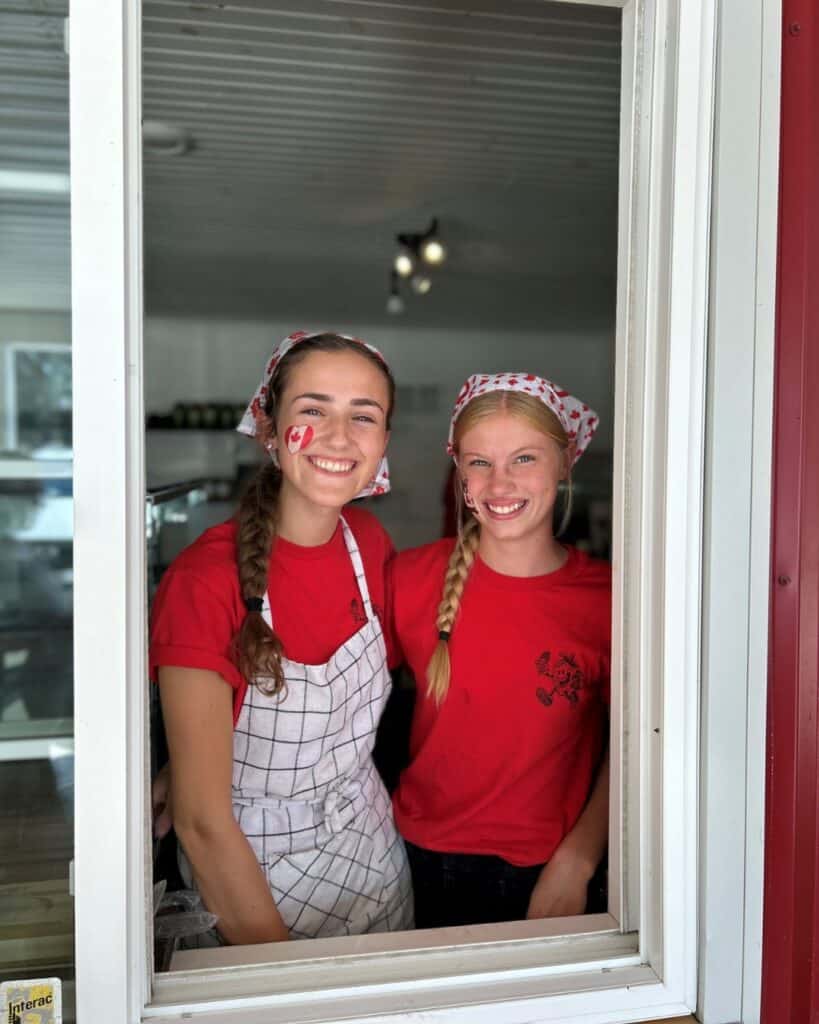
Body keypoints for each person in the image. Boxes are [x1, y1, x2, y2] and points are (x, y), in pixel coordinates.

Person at [149, 330, 413, 944]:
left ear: (383, 443)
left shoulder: (370, 547)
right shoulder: (202, 581)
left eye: (363, 417)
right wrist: (283, 972)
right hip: (251, 883)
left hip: (373, 857)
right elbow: (202, 820)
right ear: (268, 428)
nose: (339, 437)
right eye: (313, 410)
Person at [390, 372, 610, 929]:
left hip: (547, 871)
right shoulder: (410, 578)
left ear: (564, 465)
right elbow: (329, 682)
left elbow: (642, 743)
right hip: (409, 857)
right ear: (460, 473)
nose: (500, 483)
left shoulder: (610, 599)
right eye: (480, 461)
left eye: (525, 459)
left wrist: (581, 857)